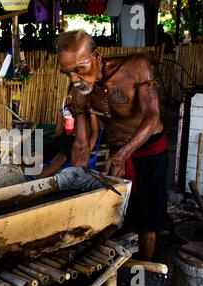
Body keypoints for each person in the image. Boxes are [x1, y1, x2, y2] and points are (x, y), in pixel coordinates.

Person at [57, 30, 171, 261]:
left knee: (148, 221)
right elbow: (81, 142)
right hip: (119, 153)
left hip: (149, 150)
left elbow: (153, 117)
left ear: (97, 55)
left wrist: (123, 154)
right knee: (121, 212)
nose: (73, 79)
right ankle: (116, 267)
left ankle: (142, 275)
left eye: (79, 68)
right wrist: (76, 180)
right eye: (66, 73)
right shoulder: (79, 90)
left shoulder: (136, 67)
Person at [38, 104, 99, 179]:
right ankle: (23, 169)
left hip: (76, 144)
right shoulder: (70, 112)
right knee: (38, 153)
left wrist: (92, 114)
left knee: (59, 159)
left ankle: (36, 181)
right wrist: (59, 117)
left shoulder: (88, 114)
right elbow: (57, 134)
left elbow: (95, 132)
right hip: (64, 139)